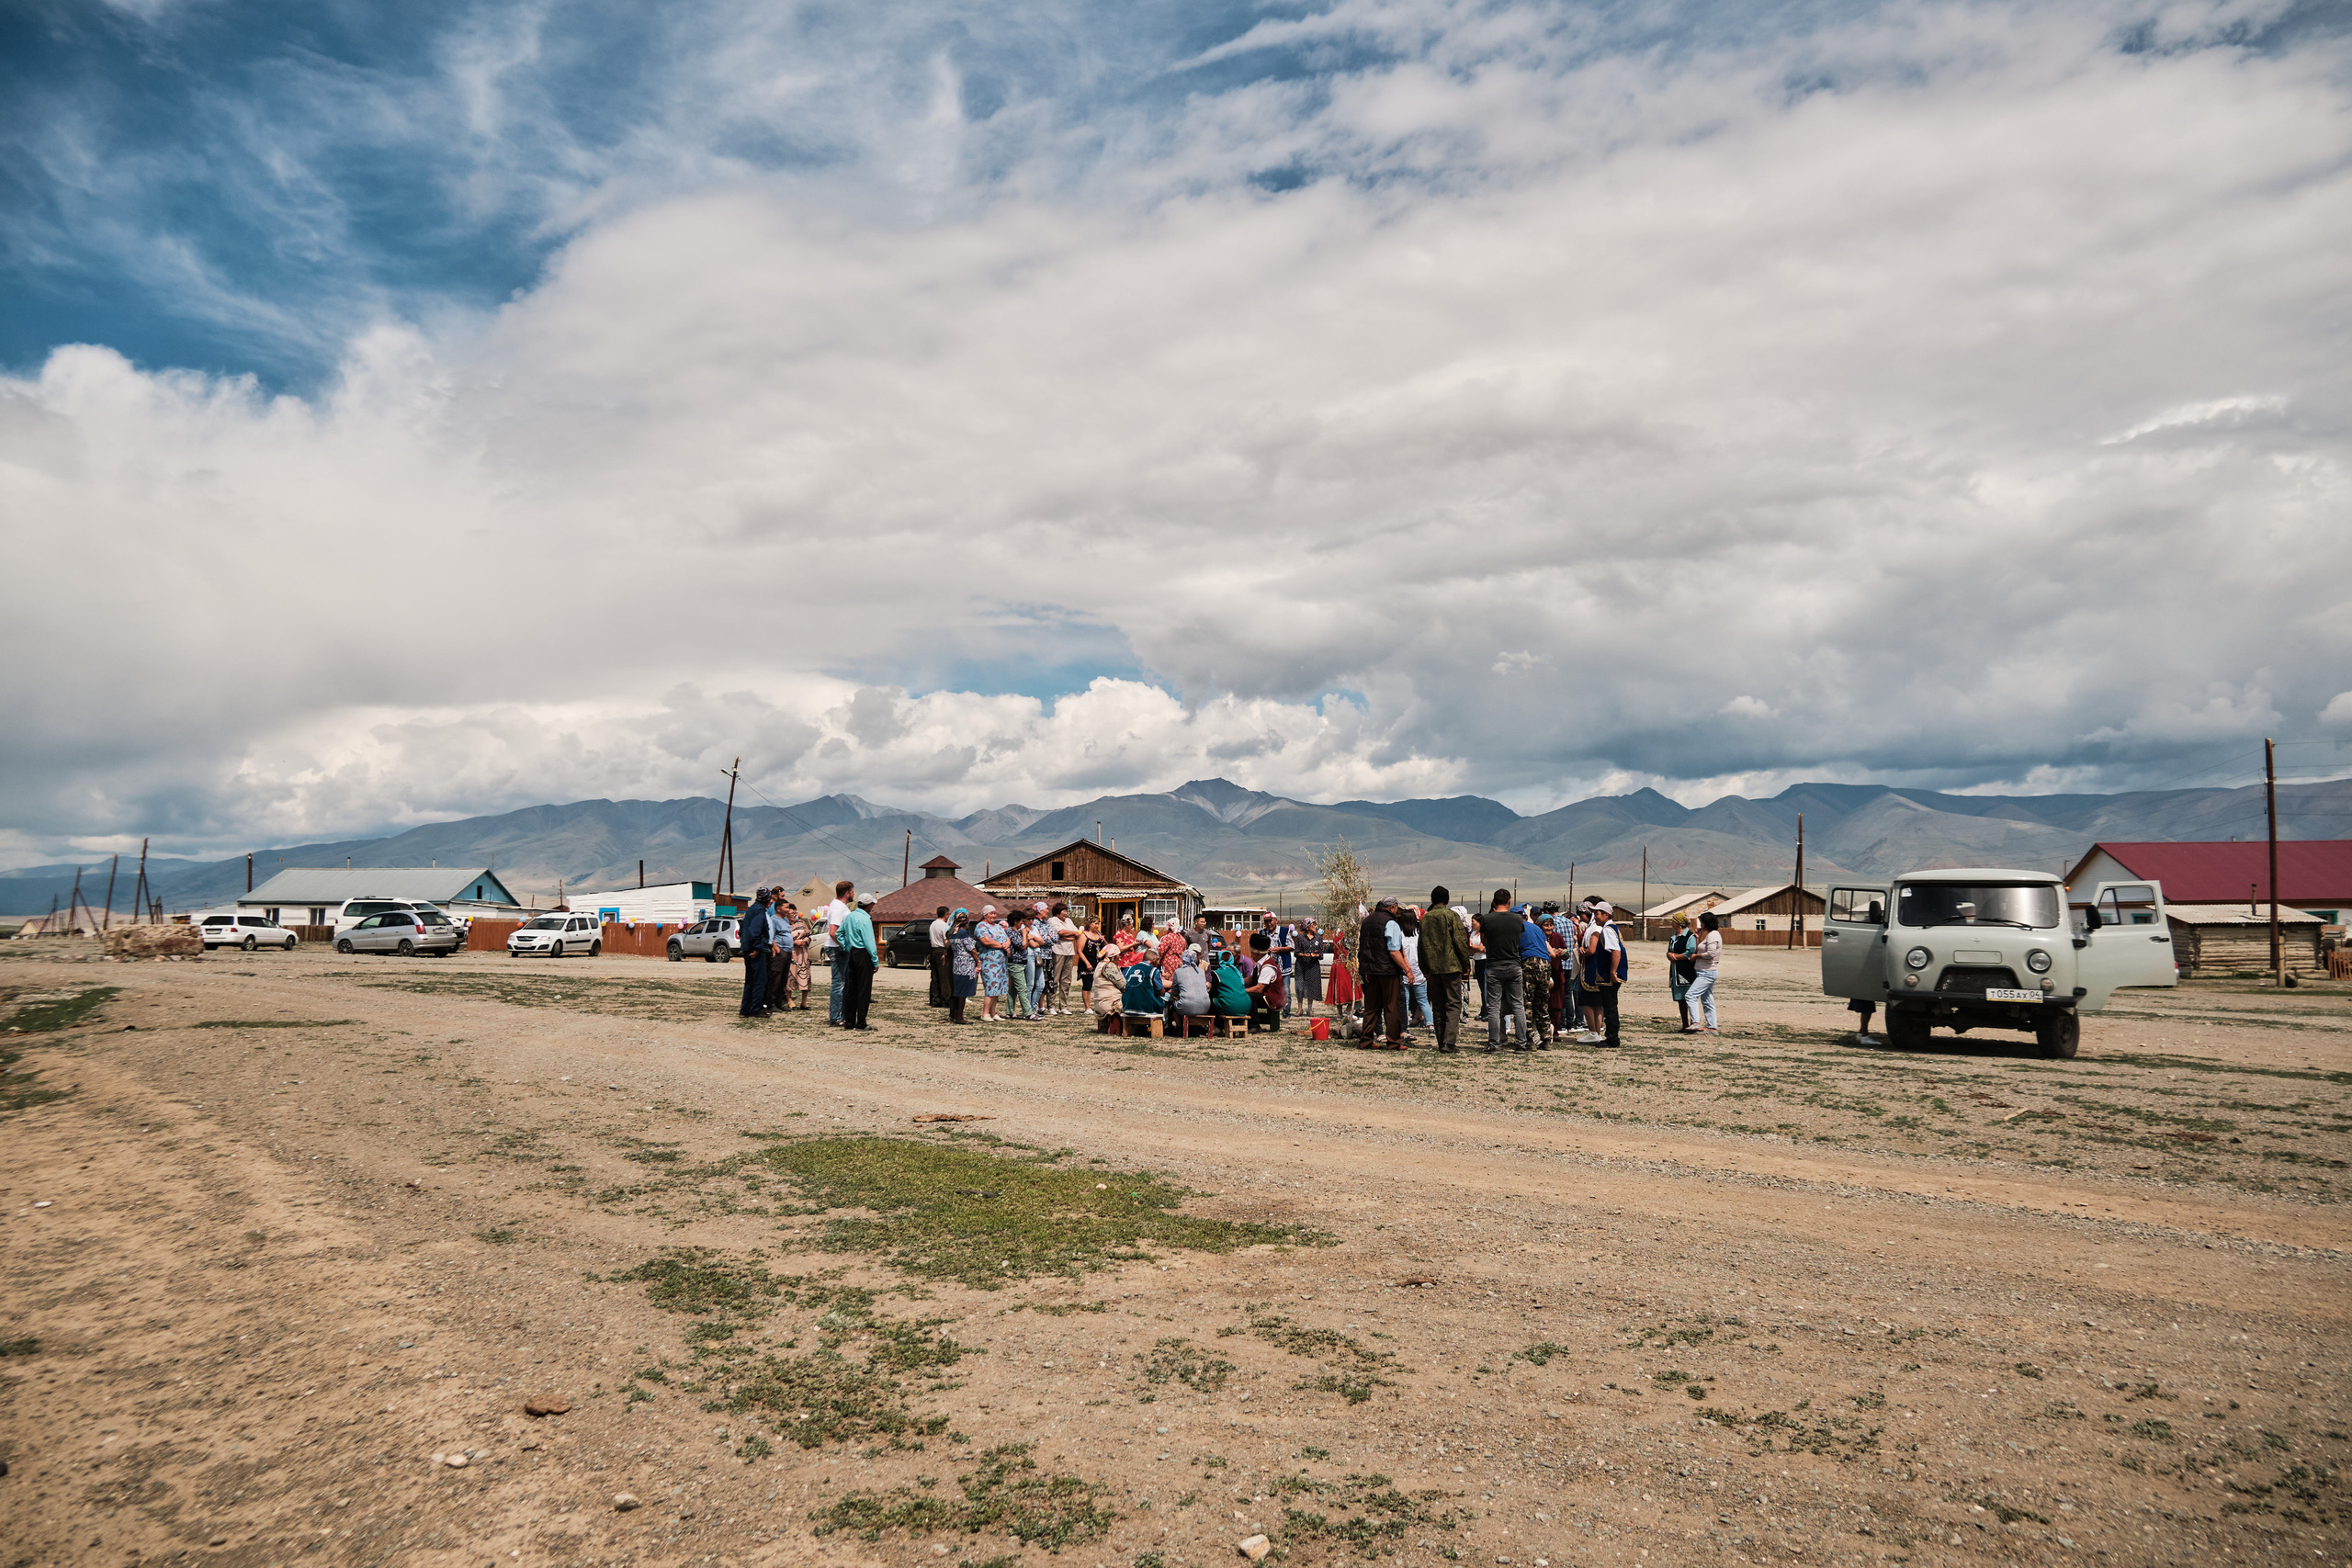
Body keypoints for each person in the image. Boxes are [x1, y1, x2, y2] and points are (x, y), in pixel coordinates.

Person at [1418, 886, 1471, 1054]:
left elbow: (1421, 946)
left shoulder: (1425, 919)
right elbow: (1460, 943)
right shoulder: (1451, 916)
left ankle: (1442, 1042)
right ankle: (1449, 1042)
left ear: (1432, 900)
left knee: (1438, 1005)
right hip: (1451, 968)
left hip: (1433, 969)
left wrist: (1424, 967)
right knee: (1454, 1005)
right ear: (1447, 901)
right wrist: (1466, 965)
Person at [1475, 890, 1528, 1052]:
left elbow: (1484, 940)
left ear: (1493, 901)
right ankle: (1521, 1043)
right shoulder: (1518, 919)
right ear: (1509, 901)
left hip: (1494, 965)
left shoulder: (1487, 919)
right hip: (1513, 964)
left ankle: (1494, 1043)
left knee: (1494, 1006)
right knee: (1518, 1005)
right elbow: (1519, 938)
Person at [1356, 895, 1410, 1049]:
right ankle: (1393, 1042)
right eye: (1396, 908)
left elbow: (1364, 946)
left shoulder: (1367, 921)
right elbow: (1394, 951)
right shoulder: (1391, 923)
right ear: (1392, 907)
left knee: (1371, 1007)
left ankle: (1366, 1040)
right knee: (1392, 1007)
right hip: (1388, 971)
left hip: (1371, 971)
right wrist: (1407, 970)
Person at [836, 893, 879, 1031]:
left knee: (851, 989)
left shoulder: (850, 916)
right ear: (869, 905)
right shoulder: (865, 919)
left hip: (852, 953)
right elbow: (869, 942)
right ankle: (861, 1023)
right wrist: (875, 959)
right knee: (863, 990)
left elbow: (839, 933)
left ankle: (849, 1022)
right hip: (863, 954)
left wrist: (846, 946)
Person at [1582, 905, 1623, 1047]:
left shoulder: (1607, 930)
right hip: (1607, 975)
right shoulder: (1612, 928)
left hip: (1608, 976)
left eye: (1597, 913)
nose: (1595, 917)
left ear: (1606, 914)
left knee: (1610, 1007)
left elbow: (1616, 951)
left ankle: (1612, 1039)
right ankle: (1611, 1037)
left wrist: (1612, 972)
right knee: (1609, 1005)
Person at [1517, 905, 1555, 1048]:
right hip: (1545, 964)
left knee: (1526, 1002)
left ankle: (1529, 1040)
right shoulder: (1536, 929)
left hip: (1529, 962)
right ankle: (1546, 1039)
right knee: (1542, 1003)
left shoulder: (1517, 928)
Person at [738, 887, 778, 1018]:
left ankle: (745, 1010)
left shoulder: (751, 910)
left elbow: (742, 929)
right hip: (756, 950)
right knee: (760, 980)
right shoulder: (760, 911)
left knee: (750, 980)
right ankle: (756, 1009)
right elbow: (755, 931)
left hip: (746, 948)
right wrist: (755, 948)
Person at [822, 880, 854, 1026]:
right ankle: (835, 1017)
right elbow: (833, 932)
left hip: (838, 946)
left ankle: (842, 1014)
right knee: (839, 983)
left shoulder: (839, 906)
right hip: (837, 948)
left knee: (843, 982)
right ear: (847, 893)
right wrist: (845, 946)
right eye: (853, 891)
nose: (854, 894)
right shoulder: (838, 908)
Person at [1687, 911, 1723, 1034]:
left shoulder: (1713, 936)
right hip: (1705, 971)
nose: (1700, 924)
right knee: (1707, 1000)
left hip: (1707, 972)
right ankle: (1712, 1028)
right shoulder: (1711, 935)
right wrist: (1698, 938)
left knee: (1690, 995)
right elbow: (1702, 949)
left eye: (1701, 922)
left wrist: (1696, 956)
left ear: (1706, 923)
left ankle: (1696, 1023)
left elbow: (1710, 954)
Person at [1398, 906, 1430, 1041]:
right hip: (1419, 971)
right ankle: (1431, 1024)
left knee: (1404, 1001)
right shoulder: (1419, 935)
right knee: (1423, 1000)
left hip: (1404, 970)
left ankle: (1404, 1026)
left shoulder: (1399, 934)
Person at [975, 906, 1012, 1022]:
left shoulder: (997, 926)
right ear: (985, 914)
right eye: (991, 913)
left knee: (998, 987)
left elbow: (1007, 938)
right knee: (991, 985)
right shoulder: (981, 926)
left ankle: (993, 1012)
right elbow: (986, 941)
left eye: (995, 913)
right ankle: (985, 1013)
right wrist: (1002, 945)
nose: (994, 916)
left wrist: (1006, 944)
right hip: (989, 961)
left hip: (1001, 962)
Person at [1245, 931, 1284, 1032]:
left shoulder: (1268, 967)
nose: (1251, 955)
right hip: (1265, 994)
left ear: (1258, 953)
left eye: (1252, 953)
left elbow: (1259, 988)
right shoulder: (1260, 963)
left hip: (1272, 998)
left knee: (1248, 996)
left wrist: (1243, 990)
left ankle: (1254, 1025)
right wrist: (1237, 982)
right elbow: (1251, 978)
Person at [1168, 949, 1213, 1036]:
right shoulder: (1201, 971)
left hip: (1187, 1006)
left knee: (1174, 1004)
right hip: (1205, 1006)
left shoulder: (1178, 971)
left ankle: (1181, 1028)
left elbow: (1175, 991)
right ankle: (1194, 1028)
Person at [1209, 948, 1253, 1037]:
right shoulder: (1237, 973)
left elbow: (1213, 992)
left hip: (1230, 1006)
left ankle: (1217, 1026)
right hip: (1246, 1006)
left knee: (1211, 1000)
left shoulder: (1217, 973)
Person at [944, 908, 978, 1023]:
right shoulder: (964, 933)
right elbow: (972, 949)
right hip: (966, 964)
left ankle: (953, 1015)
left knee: (956, 991)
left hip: (956, 963)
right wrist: (978, 961)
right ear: (967, 922)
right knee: (962, 992)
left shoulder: (953, 933)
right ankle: (959, 1017)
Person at [764, 892, 797, 1014]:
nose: (788, 910)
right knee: (775, 978)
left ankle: (779, 1002)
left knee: (783, 979)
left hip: (787, 951)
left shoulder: (785, 920)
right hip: (780, 951)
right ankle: (771, 1003)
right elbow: (770, 935)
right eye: (786, 907)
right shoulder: (774, 920)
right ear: (778, 909)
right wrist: (776, 948)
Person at [1667, 913, 1699, 1032]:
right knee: (1680, 999)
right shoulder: (1673, 937)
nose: (1672, 923)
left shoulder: (1690, 937)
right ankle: (1685, 1024)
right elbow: (1669, 950)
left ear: (1679, 923)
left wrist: (1677, 957)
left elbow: (1690, 952)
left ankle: (1693, 1023)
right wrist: (1669, 955)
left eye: (1673, 921)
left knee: (1688, 998)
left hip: (1686, 971)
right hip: (1675, 971)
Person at [1047, 901, 1079, 1015]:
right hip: (1058, 952)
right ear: (1058, 913)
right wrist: (1070, 935)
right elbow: (1060, 932)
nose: (1065, 913)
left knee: (1066, 981)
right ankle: (1051, 1006)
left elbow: (1077, 933)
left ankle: (1063, 1006)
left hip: (1069, 952)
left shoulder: (1069, 921)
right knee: (1055, 979)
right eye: (1064, 911)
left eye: (1066, 911)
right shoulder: (1052, 920)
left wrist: (1068, 935)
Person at [1090, 943, 1127, 1032]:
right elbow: (1123, 985)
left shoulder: (1100, 965)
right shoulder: (1110, 966)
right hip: (1111, 1004)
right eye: (1118, 955)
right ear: (1113, 957)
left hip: (1100, 1003)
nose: (1120, 958)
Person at [1294, 918, 1324, 1015]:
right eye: (1313, 925)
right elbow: (1296, 953)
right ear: (1307, 927)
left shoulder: (1318, 938)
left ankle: (1309, 1009)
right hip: (1301, 965)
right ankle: (1300, 1008)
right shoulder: (1300, 938)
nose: (1315, 927)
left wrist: (1316, 955)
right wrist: (1303, 955)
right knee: (1300, 986)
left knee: (1311, 986)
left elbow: (1321, 953)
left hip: (1313, 965)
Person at [786, 903, 814, 1009]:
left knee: (805, 976)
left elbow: (809, 935)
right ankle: (790, 1001)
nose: (793, 915)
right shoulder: (785, 925)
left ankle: (804, 1002)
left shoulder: (802, 923)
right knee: (790, 976)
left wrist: (805, 941)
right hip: (792, 954)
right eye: (791, 913)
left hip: (803, 953)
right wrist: (794, 942)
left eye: (795, 913)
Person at [927, 905, 952, 1010]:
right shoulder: (944, 926)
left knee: (935, 977)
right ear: (946, 914)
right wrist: (946, 952)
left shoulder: (933, 924)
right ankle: (945, 1000)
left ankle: (934, 999)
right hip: (942, 950)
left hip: (933, 950)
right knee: (944, 977)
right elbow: (946, 940)